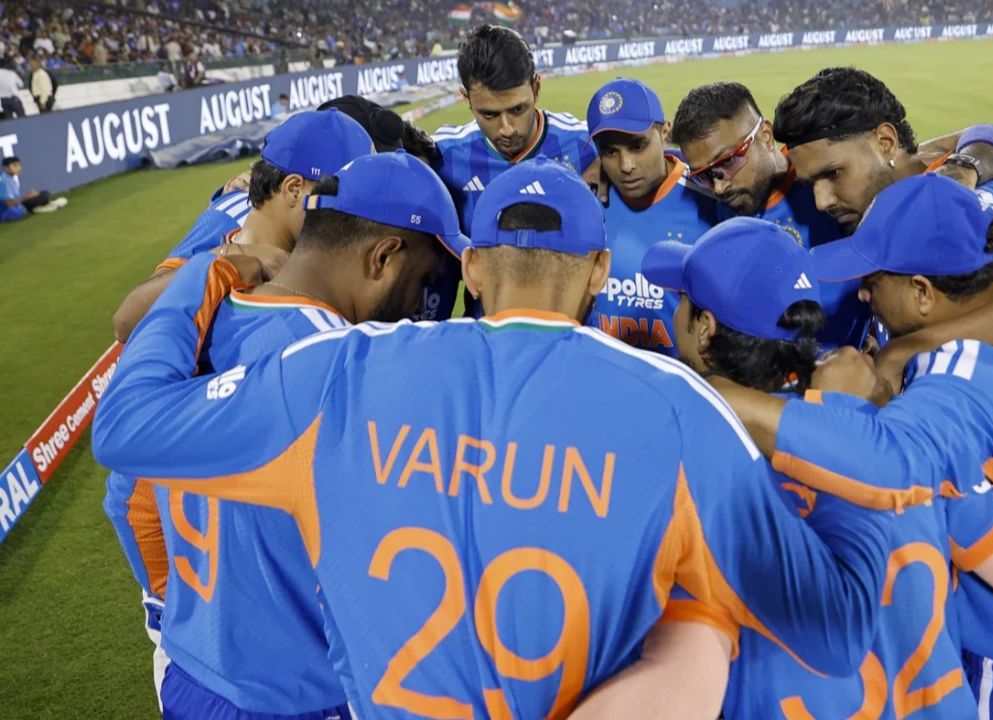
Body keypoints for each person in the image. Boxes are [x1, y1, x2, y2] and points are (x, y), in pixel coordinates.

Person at [94, 159, 898, 719]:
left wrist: (204, 275)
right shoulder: (677, 409)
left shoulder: (340, 369)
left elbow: (129, 430)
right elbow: (835, 631)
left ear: (474, 270)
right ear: (597, 270)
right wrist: (841, 424)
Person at [710, 175, 993, 718]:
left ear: (922, 292)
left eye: (873, 280)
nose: (862, 294)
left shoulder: (956, 382)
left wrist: (713, 394)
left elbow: (886, 462)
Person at [147, 151, 458, 720]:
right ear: (383, 257)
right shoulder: (347, 368)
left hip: (193, 669)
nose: (421, 304)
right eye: (425, 279)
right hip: (293, 692)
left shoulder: (206, 321)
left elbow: (133, 490)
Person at [102, 108, 372, 710]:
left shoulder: (304, 257)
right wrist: (228, 265)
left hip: (219, 513)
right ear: (294, 189)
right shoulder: (228, 226)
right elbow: (127, 318)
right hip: (164, 516)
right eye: (336, 197)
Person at [771, 67, 993, 388]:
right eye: (811, 183)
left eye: (834, 173)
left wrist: (907, 350)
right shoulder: (917, 191)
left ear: (885, 142)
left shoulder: (963, 213)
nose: (822, 201)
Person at [669, 82, 993, 351]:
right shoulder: (723, 191)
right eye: (704, 175)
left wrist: (962, 170)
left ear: (764, 136)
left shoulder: (837, 176)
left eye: (728, 163)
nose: (718, 186)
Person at [110, 109, 373, 342]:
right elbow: (125, 323)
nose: (354, 217)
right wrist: (229, 259)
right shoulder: (223, 230)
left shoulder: (323, 258)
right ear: (294, 189)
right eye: (339, 199)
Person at [426, 24, 597, 321]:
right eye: (489, 114)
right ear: (466, 99)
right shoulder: (444, 157)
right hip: (488, 336)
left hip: (570, 334)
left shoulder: (585, 147)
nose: (506, 129)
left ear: (537, 88)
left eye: (518, 110)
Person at [584, 77, 719, 355]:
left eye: (638, 146)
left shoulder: (712, 204)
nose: (626, 166)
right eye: (610, 151)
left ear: (665, 132)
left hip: (682, 377)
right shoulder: (585, 200)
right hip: (604, 373)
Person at [2, 156, 67, 221]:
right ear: (6, 168)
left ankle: (42, 206)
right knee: (44, 196)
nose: (19, 168)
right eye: (15, 166)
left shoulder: (10, 179)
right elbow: (9, 203)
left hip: (19, 207)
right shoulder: (4, 182)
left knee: (44, 193)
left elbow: (15, 197)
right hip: (10, 212)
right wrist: (26, 197)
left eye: (19, 165)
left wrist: (29, 195)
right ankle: (38, 208)